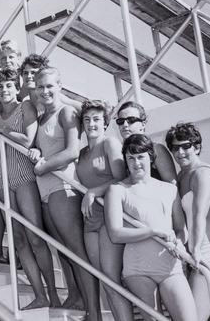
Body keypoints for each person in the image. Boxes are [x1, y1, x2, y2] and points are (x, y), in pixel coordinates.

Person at [28, 67, 101, 320]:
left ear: (60, 86)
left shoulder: (67, 112)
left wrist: (44, 165)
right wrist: (38, 154)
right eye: (40, 87)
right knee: (64, 252)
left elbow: (71, 151)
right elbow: (44, 148)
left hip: (63, 188)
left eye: (50, 86)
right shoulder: (40, 118)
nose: (45, 91)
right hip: (45, 191)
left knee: (77, 253)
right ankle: (80, 300)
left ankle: (95, 313)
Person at [0, 69, 60, 308]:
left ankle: (54, 295)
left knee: (36, 238)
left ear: (17, 88)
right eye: (0, 87)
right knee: (18, 240)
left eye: (8, 86)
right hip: (2, 179)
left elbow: (28, 140)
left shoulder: (25, 107)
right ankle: (39, 295)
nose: (4, 90)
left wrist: (2, 131)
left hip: (24, 177)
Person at [105, 134, 197, 321]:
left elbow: (180, 229)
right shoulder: (117, 190)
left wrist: (179, 242)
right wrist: (153, 231)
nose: (136, 163)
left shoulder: (169, 189)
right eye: (130, 158)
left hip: (170, 267)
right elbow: (115, 234)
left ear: (151, 158)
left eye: (140, 157)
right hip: (138, 269)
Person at [165, 122, 210, 321]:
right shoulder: (182, 175)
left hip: (208, 255)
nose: (181, 152)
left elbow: (199, 215)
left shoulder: (203, 173)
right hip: (196, 254)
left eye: (186, 146)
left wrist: (195, 253)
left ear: (197, 147)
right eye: (175, 148)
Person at [77, 100, 133, 321]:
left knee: (112, 279)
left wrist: (93, 192)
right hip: (89, 223)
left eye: (97, 119)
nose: (91, 124)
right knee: (104, 280)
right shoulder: (80, 153)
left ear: (105, 123)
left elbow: (122, 179)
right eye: (87, 119)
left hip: (109, 220)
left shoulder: (110, 143)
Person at [115, 101, 177, 184]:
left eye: (131, 120)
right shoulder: (118, 152)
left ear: (143, 124)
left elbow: (172, 185)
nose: (125, 124)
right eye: (121, 121)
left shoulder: (157, 149)